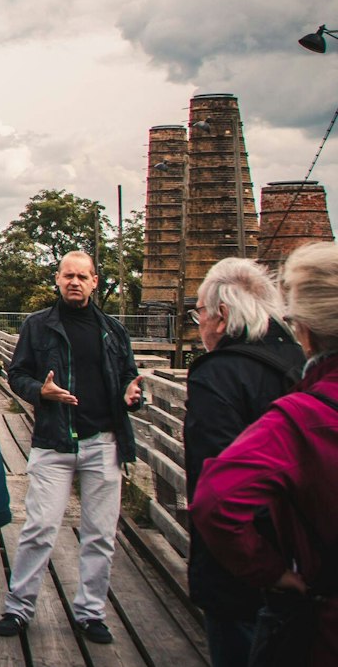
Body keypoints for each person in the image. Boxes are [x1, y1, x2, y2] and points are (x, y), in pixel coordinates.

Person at [193, 241, 338, 666]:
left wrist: (270, 570)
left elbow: (215, 498)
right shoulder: (292, 372)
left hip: (312, 613)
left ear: (306, 328)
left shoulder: (302, 416)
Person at [0, 251, 144, 645]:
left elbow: (129, 374)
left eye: (82, 276)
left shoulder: (113, 330)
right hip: (54, 442)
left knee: (100, 533)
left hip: (104, 441)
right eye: (68, 276)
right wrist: (39, 393)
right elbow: (17, 374)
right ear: (57, 280)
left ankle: (91, 612)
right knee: (40, 527)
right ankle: (18, 607)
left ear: (95, 282)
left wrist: (133, 392)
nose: (74, 282)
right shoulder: (38, 326)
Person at [183, 256, 302, 666]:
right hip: (306, 565)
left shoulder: (218, 375)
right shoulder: (303, 366)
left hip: (244, 573)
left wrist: (260, 568)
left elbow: (212, 485)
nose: (197, 322)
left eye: (198, 311)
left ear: (223, 315)